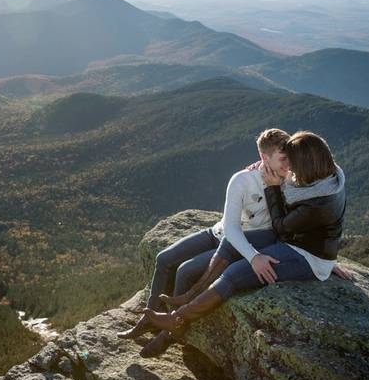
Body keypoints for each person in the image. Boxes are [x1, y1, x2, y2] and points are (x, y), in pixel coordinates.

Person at [138, 130, 348, 358]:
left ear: (308, 162)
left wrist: (272, 188)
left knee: (234, 274)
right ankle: (191, 295)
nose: (290, 168)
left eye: (293, 162)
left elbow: (281, 226)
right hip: (295, 242)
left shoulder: (317, 202)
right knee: (231, 241)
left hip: (305, 256)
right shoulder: (329, 177)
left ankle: (177, 319)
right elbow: (325, 229)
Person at [117, 128, 292, 341]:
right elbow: (230, 227)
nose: (288, 163)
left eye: (290, 157)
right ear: (264, 157)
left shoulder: (290, 182)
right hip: (220, 233)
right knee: (163, 258)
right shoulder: (242, 180)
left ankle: (170, 329)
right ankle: (148, 320)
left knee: (185, 271)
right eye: (283, 158)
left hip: (241, 243)